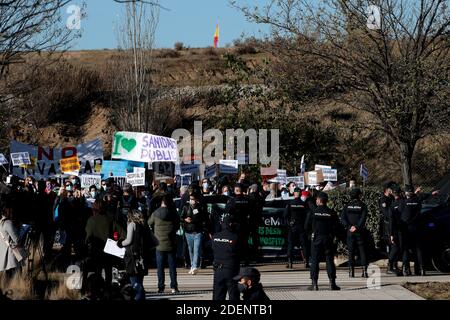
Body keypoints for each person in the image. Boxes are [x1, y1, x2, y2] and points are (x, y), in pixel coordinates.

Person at [306, 192, 340, 291]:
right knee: (329, 260)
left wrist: (310, 236)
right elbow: (337, 227)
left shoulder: (313, 212)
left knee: (315, 261)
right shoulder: (331, 212)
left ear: (319, 201)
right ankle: (332, 283)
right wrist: (333, 236)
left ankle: (314, 284)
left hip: (316, 238)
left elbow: (306, 226)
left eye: (317, 199)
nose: (316, 201)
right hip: (328, 239)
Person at [84, 199, 118, 297]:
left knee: (97, 272)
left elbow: (88, 237)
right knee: (108, 272)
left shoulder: (91, 220)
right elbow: (122, 234)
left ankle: (98, 291)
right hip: (109, 250)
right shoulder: (111, 219)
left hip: (96, 250)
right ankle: (107, 291)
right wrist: (117, 242)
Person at [148, 196, 180, 293]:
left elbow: (149, 223)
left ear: (161, 203)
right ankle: (174, 286)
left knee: (160, 268)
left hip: (159, 244)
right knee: (172, 267)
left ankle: (161, 287)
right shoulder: (173, 213)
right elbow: (177, 226)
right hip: (171, 244)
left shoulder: (155, 213)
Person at [117, 210, 150, 301]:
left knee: (135, 284)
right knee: (140, 283)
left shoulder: (132, 224)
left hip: (133, 257)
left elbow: (129, 240)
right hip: (142, 257)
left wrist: (119, 243)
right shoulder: (144, 225)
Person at [341, 188, 368, 278]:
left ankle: (351, 272)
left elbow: (343, 219)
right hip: (360, 231)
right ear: (359, 195)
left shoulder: (347, 206)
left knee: (351, 252)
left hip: (350, 232)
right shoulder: (363, 205)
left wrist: (349, 227)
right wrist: (356, 227)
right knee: (362, 251)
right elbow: (363, 219)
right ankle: (364, 272)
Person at [212, 215, 240, 301]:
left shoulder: (215, 236)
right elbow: (242, 252)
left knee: (217, 296)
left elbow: (211, 249)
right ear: (231, 224)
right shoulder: (235, 237)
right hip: (231, 269)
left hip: (218, 269)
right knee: (234, 295)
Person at [398, 186, 424, 276]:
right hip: (416, 228)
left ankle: (406, 269)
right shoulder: (418, 201)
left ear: (405, 193)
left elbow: (400, 212)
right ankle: (421, 269)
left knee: (405, 249)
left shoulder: (403, 202)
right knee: (417, 249)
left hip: (406, 229)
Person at [181, 192, 209, 275]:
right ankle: (192, 266)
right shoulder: (186, 207)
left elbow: (203, 218)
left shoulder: (200, 207)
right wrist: (185, 220)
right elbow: (181, 217)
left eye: (193, 199)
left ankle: (194, 266)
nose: (191, 200)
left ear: (196, 200)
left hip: (197, 231)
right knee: (191, 250)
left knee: (196, 249)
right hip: (188, 231)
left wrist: (193, 220)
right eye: (190, 199)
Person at [225, 183, 253, 266]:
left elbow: (227, 210)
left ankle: (236, 260)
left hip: (235, 225)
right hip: (245, 224)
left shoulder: (232, 200)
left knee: (235, 243)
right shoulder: (248, 200)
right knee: (245, 243)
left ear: (235, 190)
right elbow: (251, 211)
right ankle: (245, 260)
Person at [284, 187, 311, 269]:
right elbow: (308, 215)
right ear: (300, 194)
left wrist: (289, 224)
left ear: (294, 193)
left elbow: (285, 215)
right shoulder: (303, 204)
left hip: (293, 226)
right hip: (301, 226)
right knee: (304, 244)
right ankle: (306, 261)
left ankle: (290, 262)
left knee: (291, 244)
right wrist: (305, 225)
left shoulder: (290, 203)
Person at [0, 194, 24, 281]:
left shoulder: (1, 222)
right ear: (6, 210)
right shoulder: (8, 223)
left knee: (7, 278)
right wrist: (22, 231)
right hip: (12, 255)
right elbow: (17, 240)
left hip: (3, 254)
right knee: (15, 276)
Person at [379, 181, 395, 254]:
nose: (392, 189)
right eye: (390, 188)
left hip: (393, 221)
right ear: (386, 189)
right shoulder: (383, 199)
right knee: (388, 240)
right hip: (387, 222)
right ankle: (389, 255)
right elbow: (385, 212)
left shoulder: (392, 197)